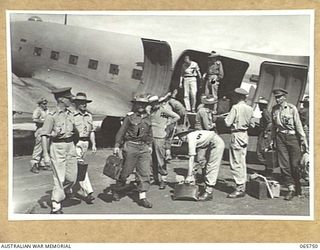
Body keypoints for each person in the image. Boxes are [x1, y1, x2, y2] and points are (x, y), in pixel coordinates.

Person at [41, 87, 77, 214]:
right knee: (59, 177)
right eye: (68, 98)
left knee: (72, 178)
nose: (71, 99)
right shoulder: (51, 116)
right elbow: (44, 135)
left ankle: (64, 191)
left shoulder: (71, 114)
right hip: (57, 147)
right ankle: (56, 204)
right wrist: (45, 155)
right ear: (61, 99)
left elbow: (75, 132)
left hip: (70, 146)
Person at [113, 95, 153, 208]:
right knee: (126, 171)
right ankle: (118, 189)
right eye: (139, 104)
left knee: (144, 172)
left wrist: (149, 145)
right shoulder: (129, 117)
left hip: (143, 147)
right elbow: (121, 131)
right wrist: (117, 145)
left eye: (144, 104)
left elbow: (150, 132)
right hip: (130, 146)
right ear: (134, 104)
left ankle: (143, 197)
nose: (141, 106)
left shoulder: (148, 117)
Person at [271, 88, 308, 201]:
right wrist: (272, 140)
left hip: (293, 138)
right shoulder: (274, 109)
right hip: (280, 137)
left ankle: (297, 185)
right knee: (284, 165)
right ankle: (290, 188)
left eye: (279, 97)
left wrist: (303, 139)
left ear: (284, 97)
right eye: (276, 97)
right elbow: (273, 126)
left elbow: (298, 125)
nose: (277, 99)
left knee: (295, 164)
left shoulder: (292, 109)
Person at [225, 88, 255, 198]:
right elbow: (252, 124)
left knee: (235, 162)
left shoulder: (235, 107)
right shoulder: (250, 108)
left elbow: (228, 123)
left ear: (237, 97)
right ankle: (243, 185)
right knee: (242, 161)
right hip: (244, 135)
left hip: (236, 134)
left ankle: (239, 188)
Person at [179, 129, 225, 201]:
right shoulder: (192, 134)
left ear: (183, 136)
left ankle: (209, 192)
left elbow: (191, 158)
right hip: (210, 142)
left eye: (180, 137)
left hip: (216, 143)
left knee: (212, 166)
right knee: (205, 164)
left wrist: (189, 176)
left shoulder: (190, 139)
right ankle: (204, 185)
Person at [150, 95, 180, 189]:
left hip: (160, 137)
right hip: (151, 137)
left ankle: (164, 179)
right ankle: (153, 178)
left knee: (160, 159)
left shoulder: (162, 110)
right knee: (151, 159)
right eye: (152, 103)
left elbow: (176, 116)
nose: (154, 105)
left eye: (155, 103)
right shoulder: (151, 111)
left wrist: (167, 124)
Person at [72, 92, 97, 204]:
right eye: (82, 103)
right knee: (81, 167)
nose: (84, 105)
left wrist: (94, 144)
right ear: (76, 103)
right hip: (76, 143)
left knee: (77, 167)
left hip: (85, 143)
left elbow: (91, 131)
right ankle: (89, 192)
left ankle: (71, 189)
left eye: (85, 103)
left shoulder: (89, 116)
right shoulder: (72, 115)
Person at [30, 98, 49, 173]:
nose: (45, 105)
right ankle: (34, 164)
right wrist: (43, 121)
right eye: (43, 104)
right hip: (40, 129)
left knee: (46, 147)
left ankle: (42, 164)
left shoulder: (47, 110)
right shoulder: (38, 110)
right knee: (38, 147)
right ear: (40, 104)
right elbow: (34, 119)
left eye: (45, 103)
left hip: (47, 130)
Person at [255, 97, 273, 176]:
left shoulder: (265, 113)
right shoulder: (265, 112)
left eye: (259, 105)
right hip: (264, 132)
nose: (258, 107)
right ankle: (267, 169)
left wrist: (266, 132)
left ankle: (268, 169)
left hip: (265, 134)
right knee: (262, 151)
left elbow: (270, 123)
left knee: (262, 151)